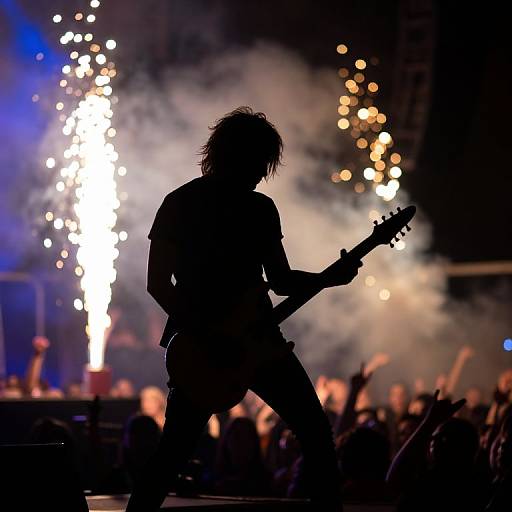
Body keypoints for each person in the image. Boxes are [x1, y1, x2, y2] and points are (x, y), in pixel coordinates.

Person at [126, 107, 362, 511]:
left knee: (174, 451)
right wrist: (207, 333)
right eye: (258, 162)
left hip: (237, 342)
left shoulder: (196, 203)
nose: (261, 173)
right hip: (223, 345)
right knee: (314, 432)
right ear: (239, 155)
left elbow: (161, 283)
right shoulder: (231, 207)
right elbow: (282, 281)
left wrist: (328, 277)